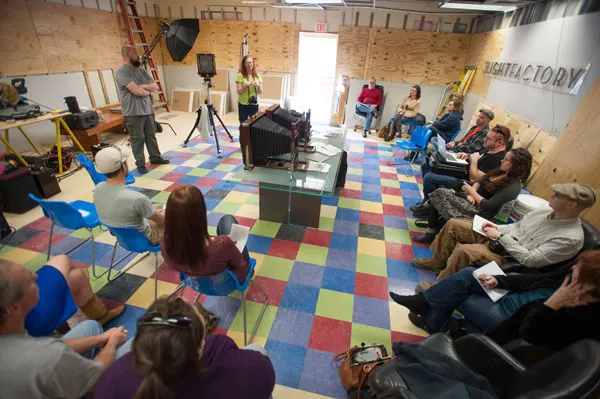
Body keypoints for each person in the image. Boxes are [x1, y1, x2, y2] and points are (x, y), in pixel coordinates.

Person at [389, 250, 600, 347]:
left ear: (590, 284)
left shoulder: (583, 316)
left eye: (578, 269)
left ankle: (431, 316)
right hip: (511, 296)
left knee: (458, 292)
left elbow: (529, 336)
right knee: (468, 274)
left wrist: (551, 306)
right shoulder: (569, 279)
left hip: (510, 319)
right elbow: (535, 279)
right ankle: (425, 305)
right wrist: (500, 281)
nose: (572, 268)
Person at [411, 183, 595, 290]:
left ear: (571, 204)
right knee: (454, 224)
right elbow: (517, 226)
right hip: (500, 238)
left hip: (510, 257)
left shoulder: (570, 238)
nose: (552, 195)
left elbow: (530, 261)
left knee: (465, 251)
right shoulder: (545, 211)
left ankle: (439, 286)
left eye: (558, 195)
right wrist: (496, 228)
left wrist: (500, 236)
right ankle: (437, 260)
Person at [95, 295, 276, 399]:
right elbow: (262, 375)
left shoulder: (110, 383)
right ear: (201, 345)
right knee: (257, 349)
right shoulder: (252, 368)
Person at [0, 259, 130, 399]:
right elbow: (95, 378)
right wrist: (111, 343)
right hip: (82, 381)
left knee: (91, 326)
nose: (35, 276)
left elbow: (52, 348)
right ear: (13, 309)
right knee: (137, 347)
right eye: (29, 281)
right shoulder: (46, 353)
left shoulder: (12, 333)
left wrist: (98, 339)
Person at [413, 148, 532, 244]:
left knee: (441, 193)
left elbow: (487, 205)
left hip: (480, 212)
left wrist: (471, 192)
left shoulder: (513, 187)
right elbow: (480, 181)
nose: (502, 161)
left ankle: (431, 230)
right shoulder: (501, 172)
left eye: (506, 159)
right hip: (473, 200)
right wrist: (471, 192)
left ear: (515, 165)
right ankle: (433, 226)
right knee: (442, 191)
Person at [161, 185, 250, 284]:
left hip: (193, 282)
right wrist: (224, 242)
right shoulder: (223, 244)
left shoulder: (164, 242)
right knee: (228, 220)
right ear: (201, 213)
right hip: (225, 283)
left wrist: (216, 240)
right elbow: (242, 269)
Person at [413, 124, 509, 214]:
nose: (484, 140)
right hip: (463, 171)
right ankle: (427, 201)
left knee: (430, 177)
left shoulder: (497, 159)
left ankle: (428, 208)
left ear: (500, 143)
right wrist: (466, 156)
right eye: (486, 137)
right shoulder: (488, 149)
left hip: (465, 182)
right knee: (426, 165)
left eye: (488, 139)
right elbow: (474, 156)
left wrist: (474, 160)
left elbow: (474, 179)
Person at [23, 255, 125, 337]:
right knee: (92, 326)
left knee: (77, 276)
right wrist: (108, 343)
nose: (35, 275)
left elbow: (61, 259)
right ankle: (67, 329)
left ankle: (100, 316)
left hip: (27, 315)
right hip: (47, 343)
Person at [93, 146, 165, 245]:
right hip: (146, 237)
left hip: (122, 236)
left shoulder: (98, 188)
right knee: (181, 219)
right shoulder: (137, 199)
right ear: (123, 167)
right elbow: (162, 221)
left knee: (159, 207)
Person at [115, 45, 169, 174]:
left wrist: (142, 87)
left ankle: (155, 157)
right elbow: (136, 91)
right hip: (133, 112)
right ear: (127, 54)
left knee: (151, 135)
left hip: (147, 110)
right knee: (137, 139)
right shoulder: (122, 72)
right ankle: (140, 163)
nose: (138, 55)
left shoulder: (141, 71)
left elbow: (155, 87)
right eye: (135, 53)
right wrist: (145, 90)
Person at [236, 55, 263, 123]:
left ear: (253, 63)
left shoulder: (257, 75)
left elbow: (260, 92)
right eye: (247, 62)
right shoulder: (240, 75)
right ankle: (242, 134)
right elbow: (239, 92)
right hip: (243, 104)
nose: (249, 64)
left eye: (250, 62)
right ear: (244, 64)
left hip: (254, 103)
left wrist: (258, 86)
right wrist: (244, 86)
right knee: (243, 123)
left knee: (254, 123)